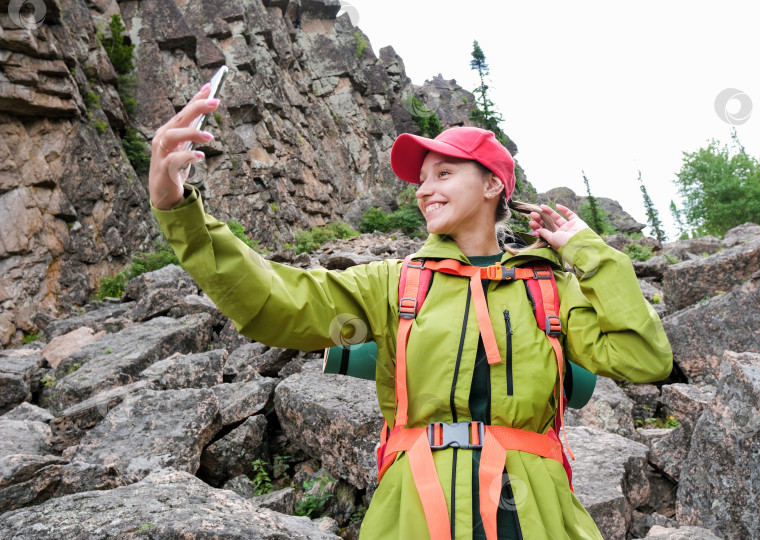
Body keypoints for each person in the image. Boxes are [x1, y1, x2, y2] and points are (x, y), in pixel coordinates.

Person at [149, 84, 673, 539]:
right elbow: (274, 300)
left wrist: (590, 254)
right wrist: (180, 211)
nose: (424, 189)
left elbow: (643, 358)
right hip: (416, 510)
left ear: (493, 185)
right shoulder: (393, 285)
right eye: (422, 179)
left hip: (538, 515)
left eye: (444, 173)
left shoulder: (548, 289)